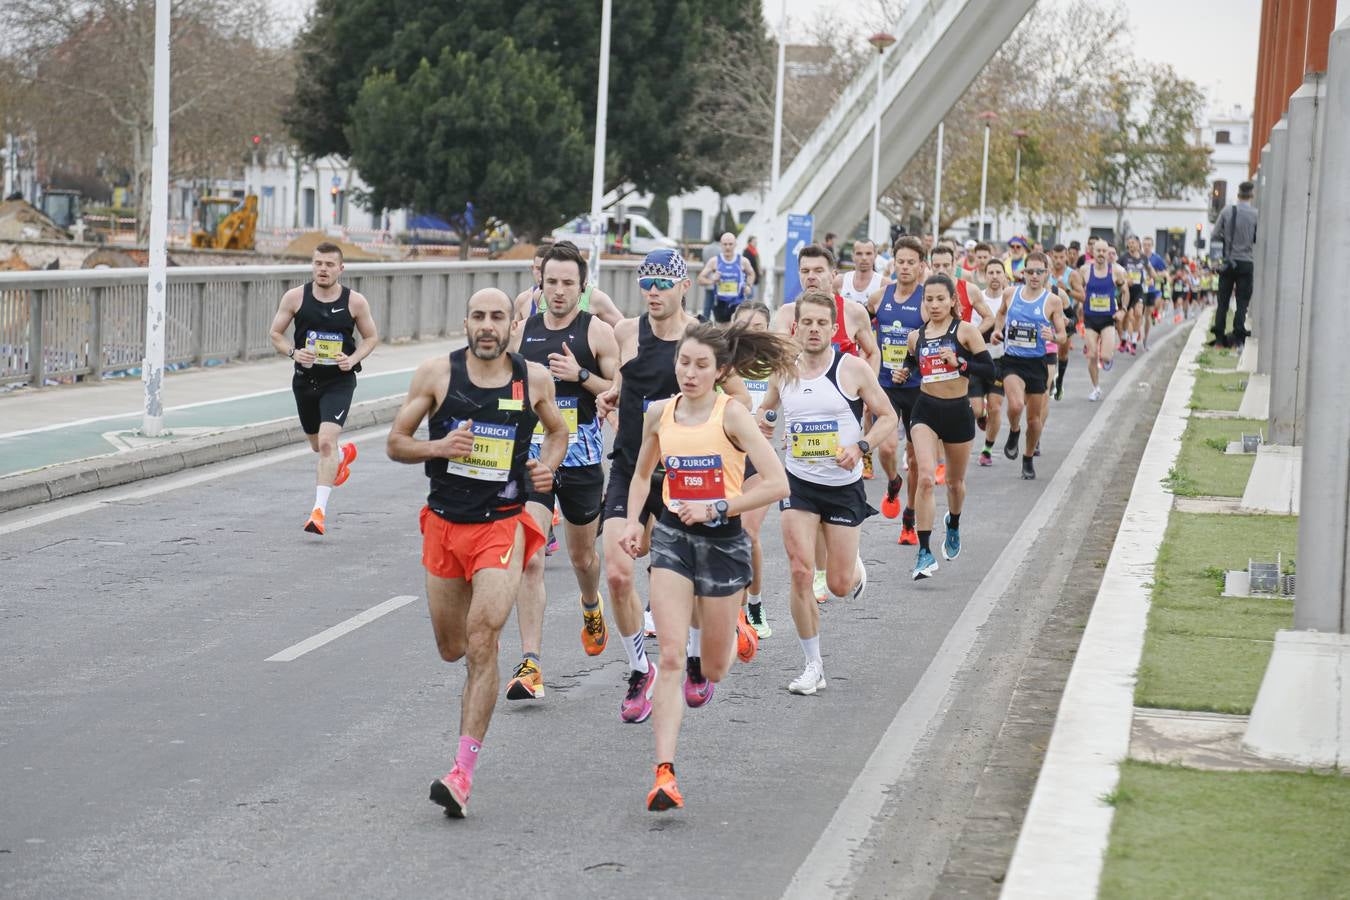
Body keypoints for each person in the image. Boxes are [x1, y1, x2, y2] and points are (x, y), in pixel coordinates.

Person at [386, 288, 568, 819]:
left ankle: (461, 773)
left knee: (483, 638)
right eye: (479, 317)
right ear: (466, 322)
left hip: (502, 525)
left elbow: (557, 431)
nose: (488, 326)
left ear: (514, 324)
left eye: (498, 318)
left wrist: (547, 467)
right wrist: (437, 447)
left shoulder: (533, 378)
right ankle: (470, 705)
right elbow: (396, 441)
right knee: (451, 647)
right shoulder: (435, 375)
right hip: (444, 525)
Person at [622, 321, 794, 811]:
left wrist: (719, 508)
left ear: (721, 372)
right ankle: (664, 774)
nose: (689, 373)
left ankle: (735, 621)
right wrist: (637, 522)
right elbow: (640, 475)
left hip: (722, 544)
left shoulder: (733, 416)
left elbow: (777, 484)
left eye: (701, 366)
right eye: (683, 362)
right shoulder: (658, 413)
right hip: (674, 541)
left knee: (714, 668)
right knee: (672, 657)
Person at [595, 250, 750, 724]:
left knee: (695, 585)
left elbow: (739, 396)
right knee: (619, 572)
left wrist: (720, 424)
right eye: (647, 284)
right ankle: (640, 668)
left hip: (687, 473)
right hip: (632, 466)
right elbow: (629, 384)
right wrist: (611, 394)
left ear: (684, 286)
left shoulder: (703, 338)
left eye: (663, 283)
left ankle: (697, 662)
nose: (654, 292)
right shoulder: (627, 333)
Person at [755, 291, 897, 695]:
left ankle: (852, 566)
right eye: (807, 323)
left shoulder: (852, 369)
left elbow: (888, 416)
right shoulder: (783, 371)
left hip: (841, 486)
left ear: (834, 330)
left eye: (822, 323)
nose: (814, 330)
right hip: (797, 483)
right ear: (795, 328)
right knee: (800, 571)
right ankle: (812, 665)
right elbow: (768, 410)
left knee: (837, 584)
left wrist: (861, 447)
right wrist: (764, 424)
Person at [504, 242, 621, 701]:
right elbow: (508, 392)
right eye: (550, 282)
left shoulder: (597, 333)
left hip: (583, 460)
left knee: (581, 559)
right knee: (531, 557)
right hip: (534, 459)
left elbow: (617, 389)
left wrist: (579, 375)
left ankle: (591, 605)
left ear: (582, 286)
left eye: (566, 283)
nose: (557, 291)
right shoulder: (523, 332)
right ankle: (530, 663)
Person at [268, 242, 379, 535]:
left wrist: (352, 359)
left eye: (330, 265)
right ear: (312, 265)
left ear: (340, 269)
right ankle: (342, 457)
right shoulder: (295, 297)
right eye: (318, 264)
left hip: (339, 381)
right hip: (305, 380)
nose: (323, 270)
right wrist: (294, 353)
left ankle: (318, 512)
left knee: (327, 442)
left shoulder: (355, 302)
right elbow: (275, 334)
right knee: (318, 445)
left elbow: (371, 338)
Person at [894, 275, 996, 579]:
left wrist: (960, 364)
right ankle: (924, 552)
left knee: (954, 484)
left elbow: (989, 370)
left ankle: (953, 521)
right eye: (929, 299)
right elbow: (911, 361)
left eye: (941, 299)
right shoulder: (916, 336)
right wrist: (904, 373)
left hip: (958, 412)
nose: (935, 305)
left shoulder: (965, 332)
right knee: (925, 477)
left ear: (953, 301)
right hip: (925, 410)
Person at [869, 236, 927, 544]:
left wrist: (912, 367)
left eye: (911, 262)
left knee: (916, 458)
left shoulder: (926, 300)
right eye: (900, 262)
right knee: (888, 448)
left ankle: (910, 516)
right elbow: (862, 332)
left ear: (921, 266)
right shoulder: (880, 297)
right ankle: (893, 481)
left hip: (916, 387)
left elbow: (933, 343)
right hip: (885, 385)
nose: (905, 267)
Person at [991, 252, 1068, 480]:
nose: (1034, 276)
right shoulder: (1010, 294)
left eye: (1039, 272)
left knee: (1034, 421)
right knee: (1015, 406)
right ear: (1023, 273)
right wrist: (997, 330)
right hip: (1013, 360)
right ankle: (1014, 431)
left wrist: (1052, 336)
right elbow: (1001, 314)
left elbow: (1063, 335)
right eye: (1030, 271)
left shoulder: (1052, 301)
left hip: (1036, 363)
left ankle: (1027, 457)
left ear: (1047, 274)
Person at [731, 302, 776, 638]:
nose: (750, 331)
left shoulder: (777, 366)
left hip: (758, 461)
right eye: (744, 324)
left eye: (758, 326)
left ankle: (753, 605)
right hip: (722, 459)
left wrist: (776, 426)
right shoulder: (720, 363)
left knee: (748, 533)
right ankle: (728, 606)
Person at [513, 240, 624, 327]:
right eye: (552, 281)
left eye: (568, 283)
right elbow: (517, 336)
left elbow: (624, 329)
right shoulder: (537, 295)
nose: (559, 291)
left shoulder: (596, 298)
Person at [1078, 239, 1130, 402]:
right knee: (1092, 355)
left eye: (1104, 251)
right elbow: (1078, 290)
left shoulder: (1115, 272)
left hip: (1108, 319)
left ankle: (1108, 356)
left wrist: (1123, 310)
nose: (1101, 254)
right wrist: (1080, 303)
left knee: (1105, 357)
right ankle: (1096, 388)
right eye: (1098, 251)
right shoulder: (1085, 270)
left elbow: (1125, 291)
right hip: (1090, 319)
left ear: (1108, 253)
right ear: (1092, 252)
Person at [1209, 180, 1257, 348]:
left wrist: (1215, 260)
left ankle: (1220, 339)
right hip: (1246, 263)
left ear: (1238, 195)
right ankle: (1238, 336)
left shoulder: (1227, 211)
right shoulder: (1255, 214)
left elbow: (1215, 235)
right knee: (1242, 302)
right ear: (1252, 195)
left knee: (1223, 302)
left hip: (1228, 263)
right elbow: (1257, 238)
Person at [975, 259, 1008, 466]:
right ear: (985, 276)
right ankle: (982, 412)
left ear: (1004, 276)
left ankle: (987, 449)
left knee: (996, 407)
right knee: (977, 410)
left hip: (1000, 362)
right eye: (991, 272)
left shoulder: (1010, 299)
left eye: (998, 272)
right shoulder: (978, 300)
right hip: (978, 360)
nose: (995, 276)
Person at [1048, 244, 1084, 401]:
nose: (1058, 261)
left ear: (1067, 256)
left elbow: (1083, 296)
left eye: (1061, 257)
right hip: (1048, 317)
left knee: (1062, 353)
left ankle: (1059, 380)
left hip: (1066, 317)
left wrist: (1067, 290)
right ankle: (1049, 380)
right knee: (1050, 352)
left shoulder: (1072, 275)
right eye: (1055, 257)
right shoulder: (1046, 273)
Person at [697, 232, 756, 323]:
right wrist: (712, 280)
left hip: (738, 302)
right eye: (725, 244)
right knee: (722, 331)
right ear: (720, 245)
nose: (727, 247)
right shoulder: (714, 261)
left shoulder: (743, 261)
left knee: (737, 330)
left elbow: (751, 273)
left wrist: (748, 285)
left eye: (730, 244)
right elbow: (700, 279)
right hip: (721, 302)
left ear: (735, 244)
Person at [835, 239, 884, 305]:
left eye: (868, 253)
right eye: (859, 253)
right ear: (852, 256)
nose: (864, 258)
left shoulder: (884, 284)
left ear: (875, 255)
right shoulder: (840, 281)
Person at [1119, 236, 1146, 355]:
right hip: (1127, 291)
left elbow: (1150, 270)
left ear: (1138, 244)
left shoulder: (1143, 258)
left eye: (1133, 242)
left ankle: (1134, 342)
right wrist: (1124, 280)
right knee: (1127, 316)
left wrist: (1156, 276)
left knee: (1138, 313)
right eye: (1129, 243)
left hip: (1139, 289)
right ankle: (1125, 339)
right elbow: (1117, 272)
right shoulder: (1123, 258)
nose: (1131, 245)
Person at [1142, 236, 1167, 349]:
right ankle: (1135, 335)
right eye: (1145, 245)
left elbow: (1165, 272)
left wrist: (1156, 275)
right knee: (1138, 314)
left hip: (1152, 290)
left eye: (1149, 245)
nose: (1146, 247)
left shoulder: (1157, 258)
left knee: (1147, 315)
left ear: (1152, 246)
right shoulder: (1139, 257)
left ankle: (1145, 339)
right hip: (1140, 290)